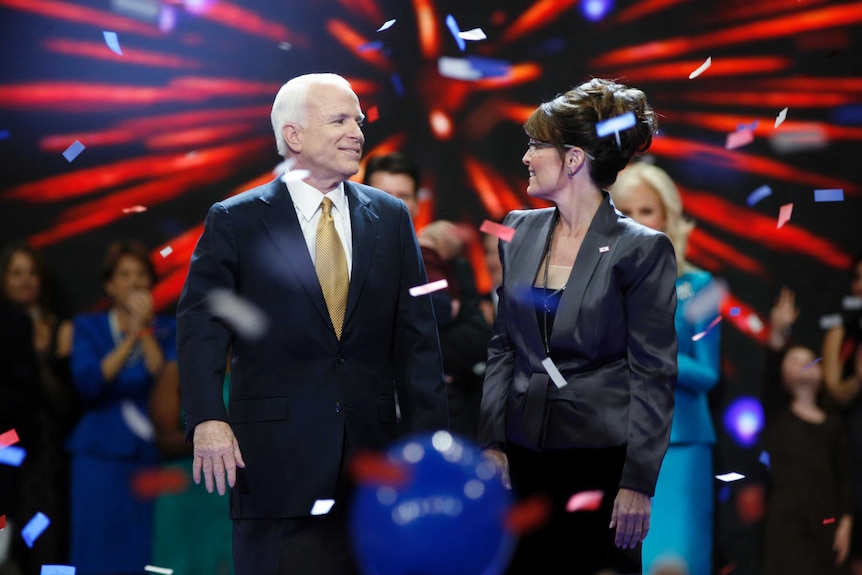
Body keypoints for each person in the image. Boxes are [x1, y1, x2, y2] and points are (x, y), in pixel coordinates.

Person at [176, 73, 449, 575]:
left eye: (359, 121)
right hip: (275, 467)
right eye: (340, 120)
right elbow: (201, 328)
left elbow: (418, 346)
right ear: (294, 136)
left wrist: (429, 449)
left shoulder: (390, 217)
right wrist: (207, 417)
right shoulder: (236, 220)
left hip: (374, 470)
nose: (357, 132)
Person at [478, 78, 678, 575]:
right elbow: (504, 346)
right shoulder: (516, 230)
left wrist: (638, 481)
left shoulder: (642, 249)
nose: (525, 157)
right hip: (524, 459)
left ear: (572, 160)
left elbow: (653, 372)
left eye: (536, 146)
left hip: (601, 463)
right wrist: (492, 443)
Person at [610, 161, 721, 575]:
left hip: (682, 446)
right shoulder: (606, 285)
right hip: (616, 442)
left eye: (647, 210)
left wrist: (655, 353)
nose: (637, 221)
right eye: (626, 211)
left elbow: (708, 375)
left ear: (668, 215)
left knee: (675, 560)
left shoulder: (700, 286)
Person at [365, 152, 493, 441]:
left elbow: (477, 338)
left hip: (440, 420)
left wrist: (399, 355)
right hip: (368, 424)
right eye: (383, 194)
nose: (394, 203)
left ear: (416, 202)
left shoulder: (451, 265)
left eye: (403, 195)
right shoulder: (346, 262)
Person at [67, 239, 177, 574]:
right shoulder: (88, 327)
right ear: (109, 285)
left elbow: (167, 385)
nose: (135, 282)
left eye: (142, 274)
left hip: (148, 458)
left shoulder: (167, 329)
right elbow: (90, 384)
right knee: (94, 548)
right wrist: (129, 335)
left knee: (142, 552)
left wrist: (143, 329)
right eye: (125, 274)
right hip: (98, 456)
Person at [764, 287, 854, 574]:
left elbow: (844, 477)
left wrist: (846, 523)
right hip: (786, 524)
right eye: (794, 359)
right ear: (783, 376)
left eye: (810, 358)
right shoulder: (778, 412)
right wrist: (779, 330)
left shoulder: (833, 422)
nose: (804, 362)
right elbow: (771, 360)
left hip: (827, 521)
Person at [1, 241, 78, 572]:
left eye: (32, 273)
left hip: (49, 453)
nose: (25, 280)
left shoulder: (64, 328)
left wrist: (41, 360)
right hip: (7, 446)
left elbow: (70, 398)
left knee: (48, 540)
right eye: (16, 273)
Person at [149, 355, 233, 575]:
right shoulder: (175, 370)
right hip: (186, 489)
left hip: (232, 490)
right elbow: (164, 440)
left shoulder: (254, 366)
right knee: (183, 563)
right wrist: (218, 438)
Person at [822, 253, 862, 574]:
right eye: (858, 277)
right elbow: (835, 392)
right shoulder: (842, 331)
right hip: (855, 442)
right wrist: (859, 378)